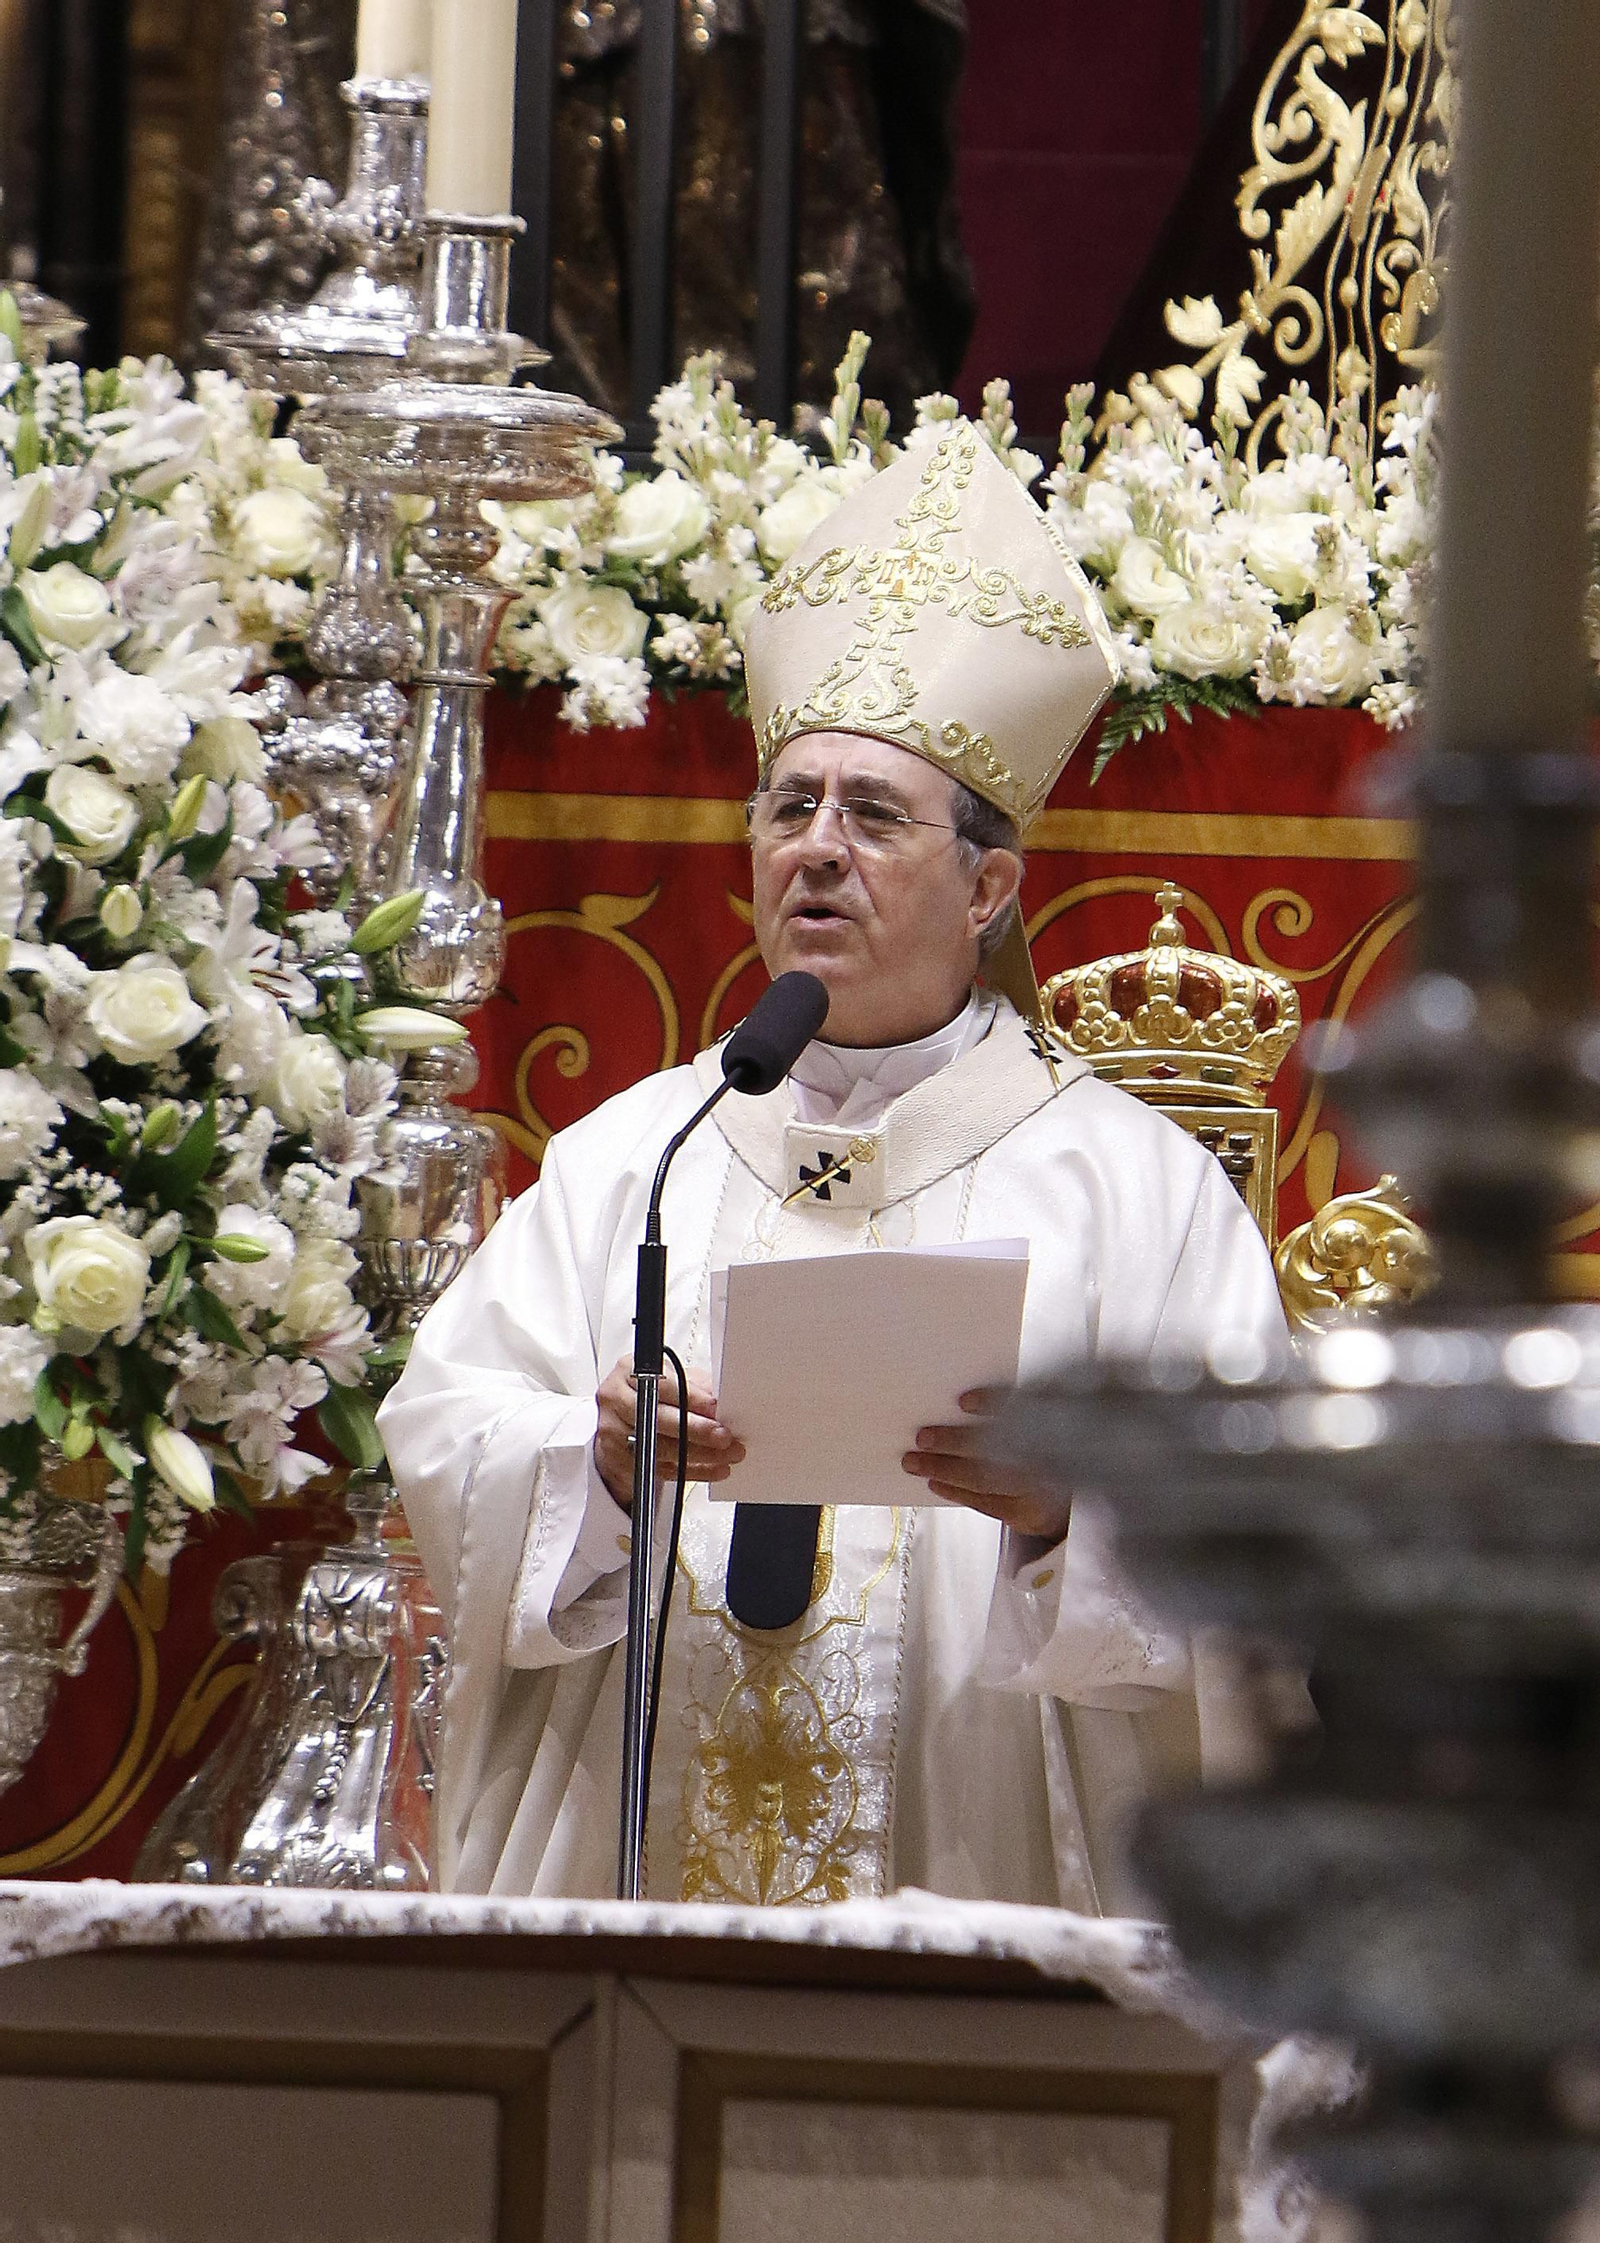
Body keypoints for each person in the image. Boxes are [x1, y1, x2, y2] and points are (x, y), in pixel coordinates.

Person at [379, 422, 1286, 1910]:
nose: (816, 848)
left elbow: (1261, 1540)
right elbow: (446, 1430)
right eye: (789, 807)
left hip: (984, 1865)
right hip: (640, 1867)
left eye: (873, 815)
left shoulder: (1135, 1189)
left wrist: (1070, 1511)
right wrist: (590, 1464)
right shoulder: (637, 1156)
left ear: (989, 887)